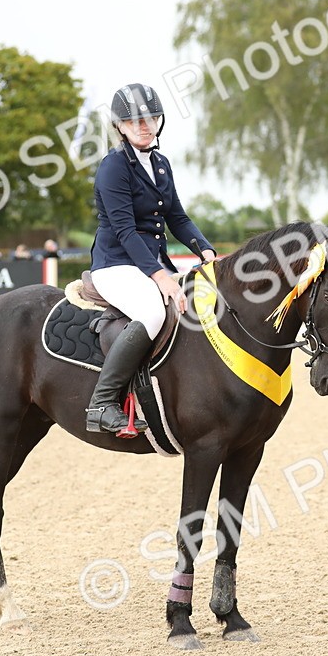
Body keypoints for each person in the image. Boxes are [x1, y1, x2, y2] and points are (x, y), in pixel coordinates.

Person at [84, 83, 217, 434]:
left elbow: (178, 217)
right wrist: (162, 278)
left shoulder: (160, 164)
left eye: (151, 118)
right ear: (121, 127)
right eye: (135, 121)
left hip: (149, 263)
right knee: (154, 311)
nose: (145, 126)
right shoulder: (113, 167)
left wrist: (205, 250)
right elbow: (126, 231)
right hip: (115, 264)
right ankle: (102, 402)